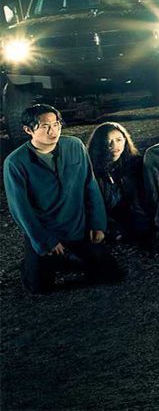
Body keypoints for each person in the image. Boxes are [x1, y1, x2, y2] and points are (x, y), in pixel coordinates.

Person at [4, 104, 121, 294]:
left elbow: (90, 185)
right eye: (45, 126)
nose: (53, 131)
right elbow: (21, 209)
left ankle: (68, 259)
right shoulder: (16, 162)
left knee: (111, 274)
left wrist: (98, 223)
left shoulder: (75, 146)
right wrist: (45, 240)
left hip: (78, 226)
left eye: (56, 124)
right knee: (38, 287)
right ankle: (36, 260)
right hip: (47, 229)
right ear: (28, 130)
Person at [87, 122, 152, 243]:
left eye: (119, 140)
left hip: (131, 213)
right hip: (105, 215)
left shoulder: (135, 163)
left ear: (125, 141)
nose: (114, 145)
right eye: (108, 141)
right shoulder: (90, 167)